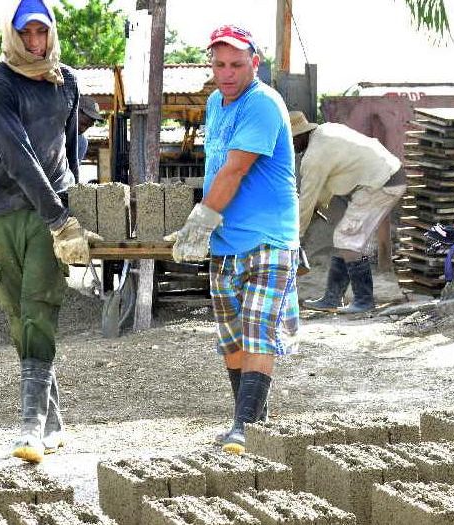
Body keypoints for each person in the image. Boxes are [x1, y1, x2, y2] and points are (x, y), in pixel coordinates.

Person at [0, 0, 101, 463]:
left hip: (51, 215)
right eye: (25, 33)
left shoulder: (66, 81)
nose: (34, 42)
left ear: (51, 34)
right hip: (4, 212)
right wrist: (59, 219)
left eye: (41, 32)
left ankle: (30, 427)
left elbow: (70, 150)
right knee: (16, 314)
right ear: (13, 34)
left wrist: (76, 209)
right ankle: (52, 420)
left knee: (38, 308)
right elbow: (17, 155)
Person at [166, 24, 299, 455]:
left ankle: (242, 426)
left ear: (254, 64)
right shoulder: (214, 103)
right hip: (227, 241)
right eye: (220, 64)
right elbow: (216, 166)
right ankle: (253, 424)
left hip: (268, 238)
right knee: (232, 339)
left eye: (237, 64)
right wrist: (208, 229)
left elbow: (235, 169)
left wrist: (199, 221)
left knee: (259, 331)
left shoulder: (262, 104)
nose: (227, 73)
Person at [291, 111, 406, 314]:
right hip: (388, 176)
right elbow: (323, 188)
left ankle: (363, 300)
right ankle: (332, 298)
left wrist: (296, 235)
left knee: (347, 237)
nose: (290, 147)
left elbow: (307, 199)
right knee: (344, 236)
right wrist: (318, 205)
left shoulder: (314, 157)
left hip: (381, 182)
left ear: (298, 136)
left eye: (290, 141)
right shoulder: (326, 131)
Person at [77, 95, 103, 162]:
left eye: (88, 126)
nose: (83, 129)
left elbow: (72, 170)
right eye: (82, 124)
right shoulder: (52, 132)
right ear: (74, 112)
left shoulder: (82, 143)